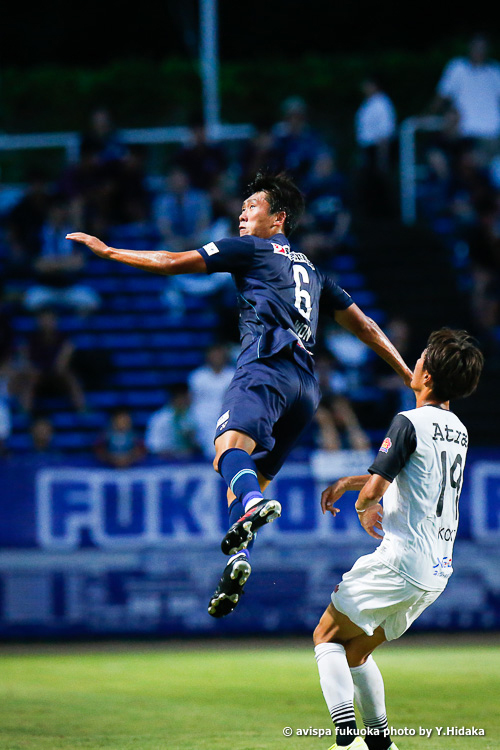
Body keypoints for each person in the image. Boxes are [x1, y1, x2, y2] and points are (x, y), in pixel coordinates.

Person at [66, 171, 413, 618]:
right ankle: (238, 558)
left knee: (226, 452)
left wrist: (110, 251)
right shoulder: (314, 271)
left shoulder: (250, 249)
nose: (242, 214)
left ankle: (253, 505)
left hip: (265, 365)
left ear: (278, 218)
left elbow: (171, 261)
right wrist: (407, 372)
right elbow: (364, 325)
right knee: (247, 479)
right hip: (305, 389)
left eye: (252, 207)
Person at [313, 328, 484, 750]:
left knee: (326, 637)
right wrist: (350, 482)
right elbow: (412, 476)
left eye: (421, 358)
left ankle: (346, 741)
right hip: (436, 571)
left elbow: (376, 491)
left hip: (401, 560)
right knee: (356, 652)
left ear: (426, 377)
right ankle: (380, 743)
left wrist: (362, 506)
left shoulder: (409, 421)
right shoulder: (459, 430)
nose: (415, 362)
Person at [432, 33, 500, 164]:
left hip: (490, 134)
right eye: (476, 47)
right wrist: (428, 115)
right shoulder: (457, 67)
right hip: (463, 133)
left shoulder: (495, 71)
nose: (479, 51)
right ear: (469, 47)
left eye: (483, 47)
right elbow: (442, 96)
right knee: (441, 155)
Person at [144, 383, 200, 458]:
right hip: (165, 461)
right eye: (186, 398)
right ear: (178, 398)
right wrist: (175, 453)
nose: (189, 401)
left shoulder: (192, 416)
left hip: (190, 460)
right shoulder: (160, 418)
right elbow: (153, 446)